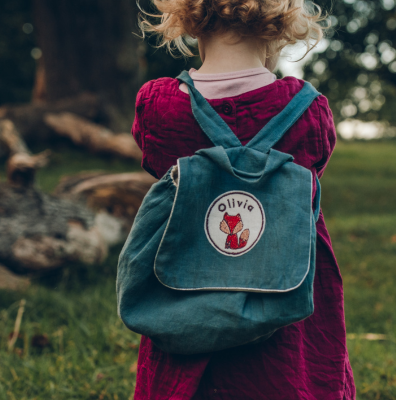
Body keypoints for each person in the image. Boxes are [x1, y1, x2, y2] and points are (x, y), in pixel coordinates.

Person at [130, 0, 355, 398]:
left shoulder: (160, 107)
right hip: (282, 311)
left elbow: (153, 156)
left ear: (186, 19)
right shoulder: (308, 111)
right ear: (281, 25)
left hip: (185, 303)